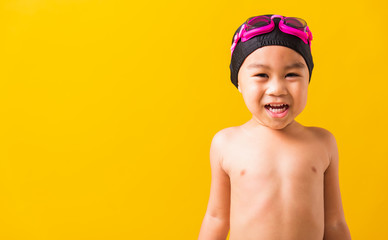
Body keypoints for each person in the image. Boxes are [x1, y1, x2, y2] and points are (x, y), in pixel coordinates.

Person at [198, 14, 351, 240]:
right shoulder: (226, 143)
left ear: (308, 78)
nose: (277, 88)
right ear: (238, 82)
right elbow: (216, 219)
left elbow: (335, 222)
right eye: (261, 75)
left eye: (291, 74)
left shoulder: (322, 143)